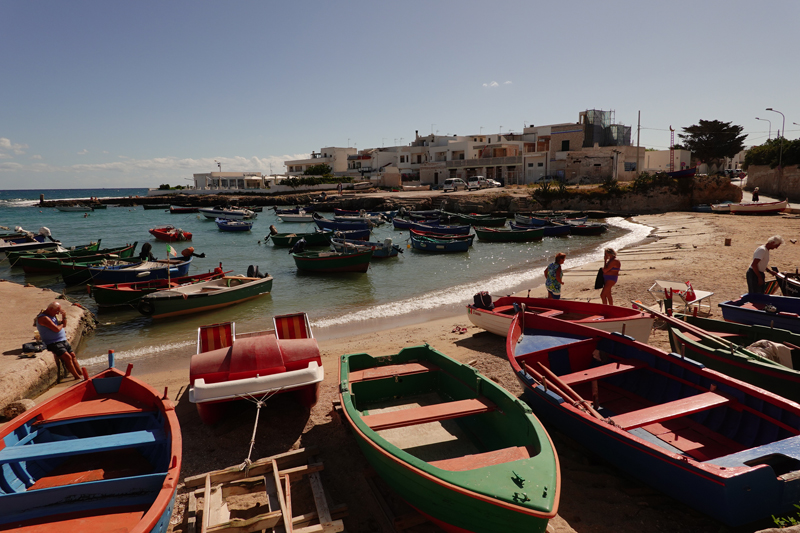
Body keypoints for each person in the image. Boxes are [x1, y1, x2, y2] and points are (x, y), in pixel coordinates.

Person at [35, 302, 83, 381]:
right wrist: (61, 325)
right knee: (67, 357)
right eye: (57, 311)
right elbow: (56, 329)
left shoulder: (53, 316)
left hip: (62, 340)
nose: (58, 313)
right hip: (53, 342)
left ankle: (80, 373)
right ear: (50, 309)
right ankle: (77, 377)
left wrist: (64, 316)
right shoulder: (44, 318)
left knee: (72, 355)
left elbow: (64, 324)